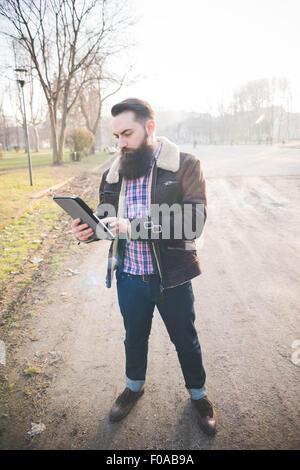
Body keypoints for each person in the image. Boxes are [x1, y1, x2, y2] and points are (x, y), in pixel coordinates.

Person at [71, 98, 217, 436]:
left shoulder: (185, 165)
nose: (120, 142)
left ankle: (199, 396)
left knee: (186, 340)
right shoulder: (113, 172)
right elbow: (106, 220)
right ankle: (133, 386)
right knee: (134, 337)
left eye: (127, 133)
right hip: (129, 277)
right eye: (116, 135)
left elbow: (194, 222)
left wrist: (134, 226)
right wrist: (88, 232)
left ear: (149, 128)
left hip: (173, 278)